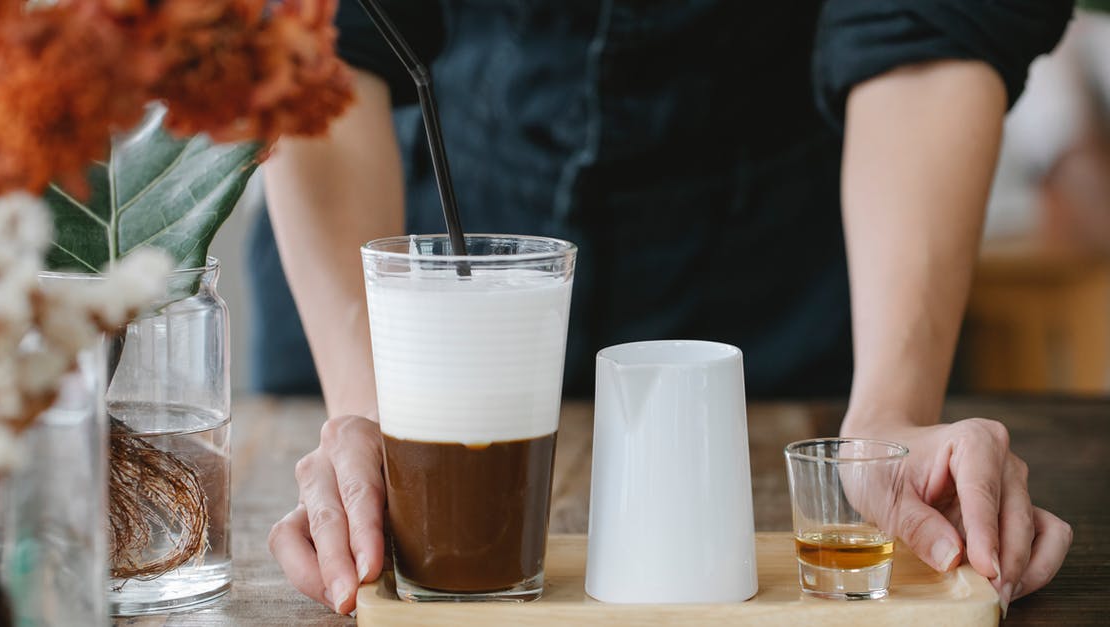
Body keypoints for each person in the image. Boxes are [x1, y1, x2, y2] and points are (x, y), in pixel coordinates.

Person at [261, 0, 1075, 616]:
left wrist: (890, 416)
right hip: (423, 232)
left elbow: (927, 25)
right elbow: (314, 32)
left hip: (805, 246)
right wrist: (384, 423)